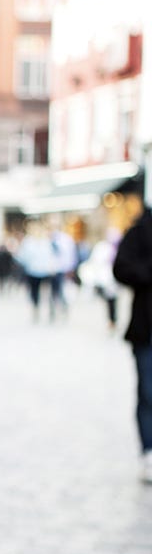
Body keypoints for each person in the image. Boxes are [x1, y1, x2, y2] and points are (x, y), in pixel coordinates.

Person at [112, 175, 152, 484]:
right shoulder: (140, 231)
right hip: (146, 327)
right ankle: (149, 451)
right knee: (148, 391)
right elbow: (121, 268)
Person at [15, 221, 60, 323]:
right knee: (34, 292)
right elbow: (22, 257)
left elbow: (53, 256)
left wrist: (53, 267)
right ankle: (36, 309)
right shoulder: (28, 242)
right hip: (33, 271)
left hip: (46, 271)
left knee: (48, 292)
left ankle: (51, 310)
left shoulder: (47, 241)